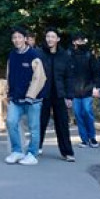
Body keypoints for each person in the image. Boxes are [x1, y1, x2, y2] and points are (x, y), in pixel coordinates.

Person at [5, 26, 47, 166]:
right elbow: (9, 74)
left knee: (34, 127)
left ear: (25, 39)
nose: (16, 40)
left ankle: (32, 154)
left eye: (19, 37)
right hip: (16, 98)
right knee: (11, 122)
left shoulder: (34, 55)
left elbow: (39, 77)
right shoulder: (12, 55)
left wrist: (30, 96)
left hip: (33, 100)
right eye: (14, 38)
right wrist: (9, 92)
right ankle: (17, 150)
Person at [38, 28, 76, 162]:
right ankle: (36, 147)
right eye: (48, 36)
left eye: (52, 37)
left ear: (58, 39)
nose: (50, 39)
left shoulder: (64, 55)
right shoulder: (39, 53)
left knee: (62, 123)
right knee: (40, 122)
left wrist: (69, 96)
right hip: (43, 93)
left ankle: (67, 152)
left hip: (60, 94)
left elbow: (69, 77)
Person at [67, 31, 100, 147]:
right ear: (74, 42)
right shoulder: (68, 55)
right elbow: (66, 74)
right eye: (78, 40)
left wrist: (97, 87)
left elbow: (96, 72)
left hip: (87, 89)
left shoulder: (89, 55)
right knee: (78, 115)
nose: (80, 42)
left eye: (82, 40)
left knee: (87, 112)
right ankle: (84, 139)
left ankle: (92, 137)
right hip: (74, 91)